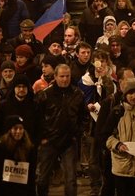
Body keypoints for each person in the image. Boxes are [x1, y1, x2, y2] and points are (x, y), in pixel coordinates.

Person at [34, 63, 87, 196]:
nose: (65, 79)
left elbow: (84, 117)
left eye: (67, 76)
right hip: (49, 141)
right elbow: (37, 118)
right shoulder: (45, 95)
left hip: (69, 141)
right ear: (55, 77)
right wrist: (42, 138)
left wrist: (77, 133)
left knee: (70, 180)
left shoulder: (78, 94)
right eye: (62, 76)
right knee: (42, 179)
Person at [105, 79, 135, 196]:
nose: (134, 96)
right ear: (125, 95)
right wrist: (117, 144)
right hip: (123, 166)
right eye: (130, 93)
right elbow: (105, 135)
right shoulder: (117, 112)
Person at [0, 115, 36, 196]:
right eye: (15, 128)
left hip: (22, 192)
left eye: (21, 128)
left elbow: (31, 175)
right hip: (3, 191)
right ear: (9, 130)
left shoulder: (29, 149)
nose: (18, 131)